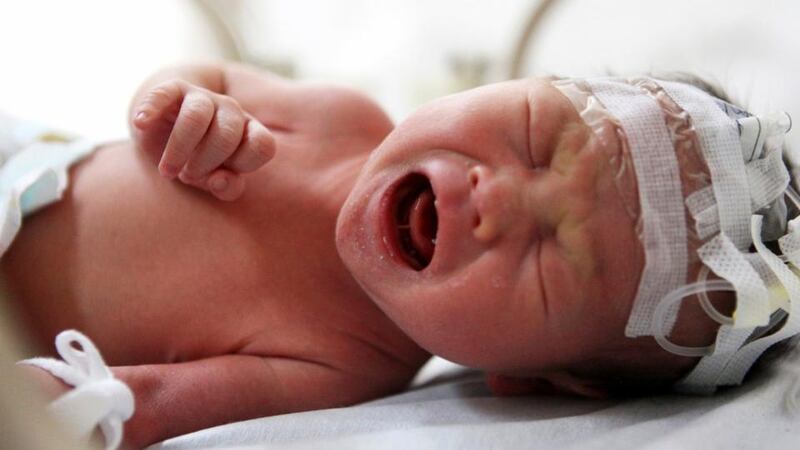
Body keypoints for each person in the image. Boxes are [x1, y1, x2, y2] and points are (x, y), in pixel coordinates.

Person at [2, 62, 795, 448]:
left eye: (554, 255)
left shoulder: (347, 363)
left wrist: (48, 401)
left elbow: (141, 403)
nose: (496, 200)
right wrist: (181, 108)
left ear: (532, 378)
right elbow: (195, 78)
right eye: (529, 135)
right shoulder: (340, 118)